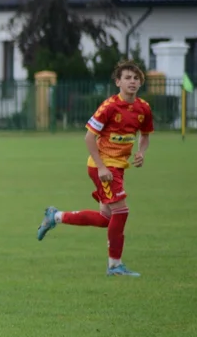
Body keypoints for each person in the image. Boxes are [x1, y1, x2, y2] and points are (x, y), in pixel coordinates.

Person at [37, 60, 153, 276]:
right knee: (122, 211)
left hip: (118, 167)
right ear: (118, 82)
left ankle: (56, 217)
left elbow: (145, 135)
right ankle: (115, 266)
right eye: (127, 78)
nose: (132, 81)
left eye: (136, 78)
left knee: (107, 219)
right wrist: (101, 167)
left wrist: (141, 152)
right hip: (103, 167)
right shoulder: (109, 107)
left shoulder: (143, 108)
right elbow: (89, 138)